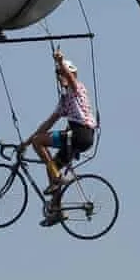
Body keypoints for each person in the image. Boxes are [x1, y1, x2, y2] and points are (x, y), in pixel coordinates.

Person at [28, 49, 97, 224]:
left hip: (80, 133)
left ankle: (57, 180)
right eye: (58, 75)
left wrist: (60, 61)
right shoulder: (65, 100)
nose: (60, 77)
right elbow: (47, 124)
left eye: (62, 74)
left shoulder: (78, 89)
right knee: (52, 168)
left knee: (39, 142)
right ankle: (57, 211)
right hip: (78, 138)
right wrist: (25, 143)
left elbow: (71, 79)